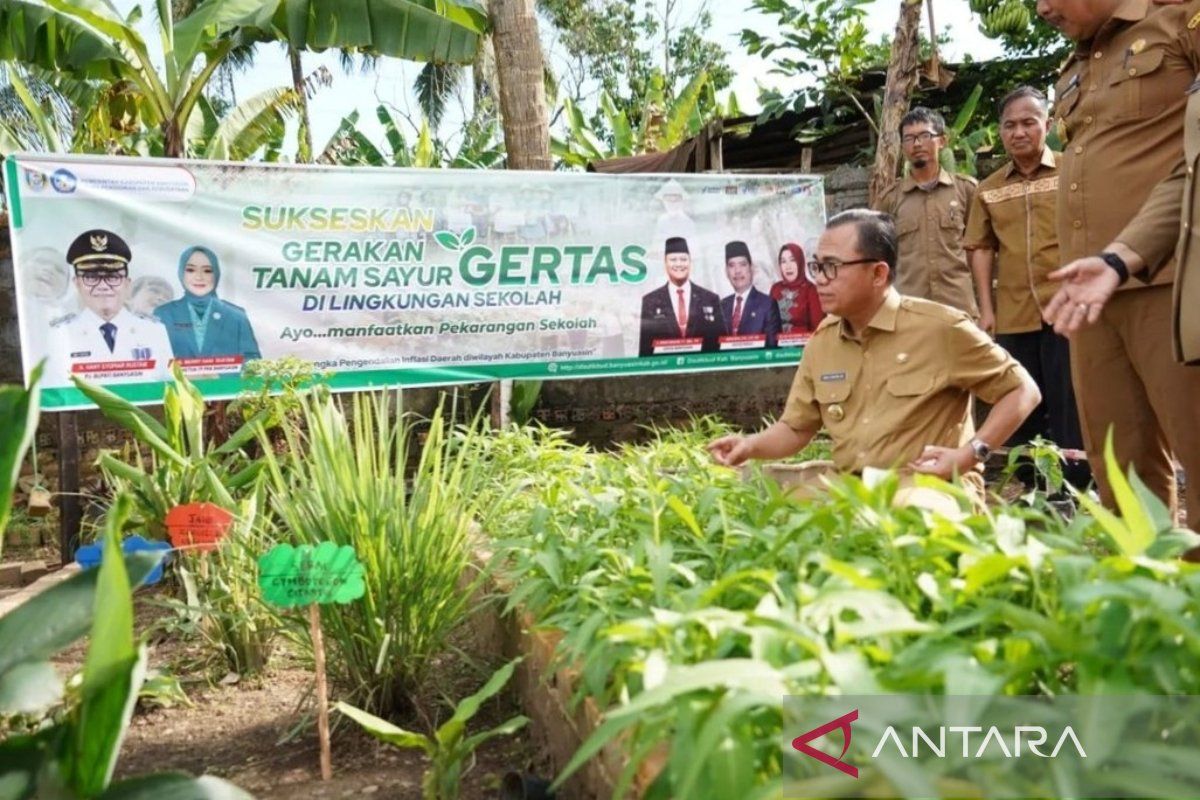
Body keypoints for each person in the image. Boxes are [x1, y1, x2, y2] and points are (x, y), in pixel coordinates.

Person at [707, 210, 1040, 497]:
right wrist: (750, 445)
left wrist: (970, 454)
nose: (820, 279)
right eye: (817, 267)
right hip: (852, 488)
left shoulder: (940, 328)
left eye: (832, 267)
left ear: (878, 273)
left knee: (910, 521)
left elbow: (1023, 390)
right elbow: (796, 429)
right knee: (778, 523)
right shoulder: (822, 342)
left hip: (928, 488)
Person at [1034, 0, 1200, 529]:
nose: (1042, 9)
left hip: (1172, 282)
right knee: (1120, 470)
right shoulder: (1077, 63)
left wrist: (1123, 256)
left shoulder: (1181, 21)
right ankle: (1149, 599)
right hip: (1093, 294)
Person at [963, 86, 1090, 489]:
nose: (1019, 132)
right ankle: (1033, 482)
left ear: (1046, 125)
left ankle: (1075, 485)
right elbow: (981, 248)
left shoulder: (1073, 173)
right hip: (1014, 313)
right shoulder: (989, 188)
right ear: (1000, 131)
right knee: (1022, 398)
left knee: (1070, 399)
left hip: (1068, 309)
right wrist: (986, 307)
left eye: (1028, 123)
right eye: (1010, 125)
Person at [873, 107, 980, 317]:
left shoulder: (967, 191)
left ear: (942, 141)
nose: (917, 144)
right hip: (910, 313)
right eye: (909, 138)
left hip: (959, 311)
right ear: (903, 146)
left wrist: (986, 306)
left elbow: (982, 250)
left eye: (925, 136)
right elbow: (878, 258)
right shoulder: (889, 199)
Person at [45, 229, 174, 384]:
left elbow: (169, 386)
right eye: (91, 277)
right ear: (77, 284)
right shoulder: (58, 333)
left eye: (113, 277)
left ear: (127, 284)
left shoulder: (155, 331)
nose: (103, 286)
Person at [154, 245, 261, 364]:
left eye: (207, 271)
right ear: (181, 273)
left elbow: (252, 362)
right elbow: (154, 360)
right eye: (191, 270)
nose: (199, 277)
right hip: (177, 383)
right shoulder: (163, 314)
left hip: (224, 383)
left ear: (216, 274)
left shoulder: (236, 315)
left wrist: (220, 375)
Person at [638, 236, 725, 357]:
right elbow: (645, 350)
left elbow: (722, 347)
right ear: (665, 263)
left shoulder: (710, 299)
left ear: (690, 262)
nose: (679, 264)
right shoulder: (650, 301)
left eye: (683, 259)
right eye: (673, 260)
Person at [720, 240, 782, 348]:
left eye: (743, 265)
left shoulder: (767, 305)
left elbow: (773, 350)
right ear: (726, 272)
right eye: (731, 265)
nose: (737, 271)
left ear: (751, 268)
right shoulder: (721, 306)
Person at [770, 242, 824, 336]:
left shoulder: (811, 290)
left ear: (800, 262)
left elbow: (818, 330)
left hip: (803, 347)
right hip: (776, 348)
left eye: (792, 260)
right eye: (783, 261)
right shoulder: (775, 289)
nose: (788, 266)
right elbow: (768, 324)